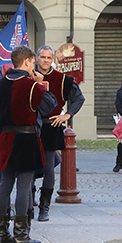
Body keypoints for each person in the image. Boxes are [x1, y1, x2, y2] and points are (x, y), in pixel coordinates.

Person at [0, 46, 58, 243]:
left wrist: (2, 135)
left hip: (5, 137)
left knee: (5, 185)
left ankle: (1, 231)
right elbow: (50, 105)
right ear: (27, 61)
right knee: (24, 185)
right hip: (26, 138)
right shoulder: (30, 86)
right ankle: (21, 233)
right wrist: (40, 84)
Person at [34, 45, 85, 221]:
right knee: (29, 168)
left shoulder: (62, 79)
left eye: (48, 58)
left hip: (51, 127)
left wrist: (67, 115)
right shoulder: (27, 76)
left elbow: (79, 98)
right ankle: (28, 203)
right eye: (42, 57)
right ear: (36, 58)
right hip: (30, 127)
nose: (45, 61)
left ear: (52, 59)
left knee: (48, 169)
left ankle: (44, 207)